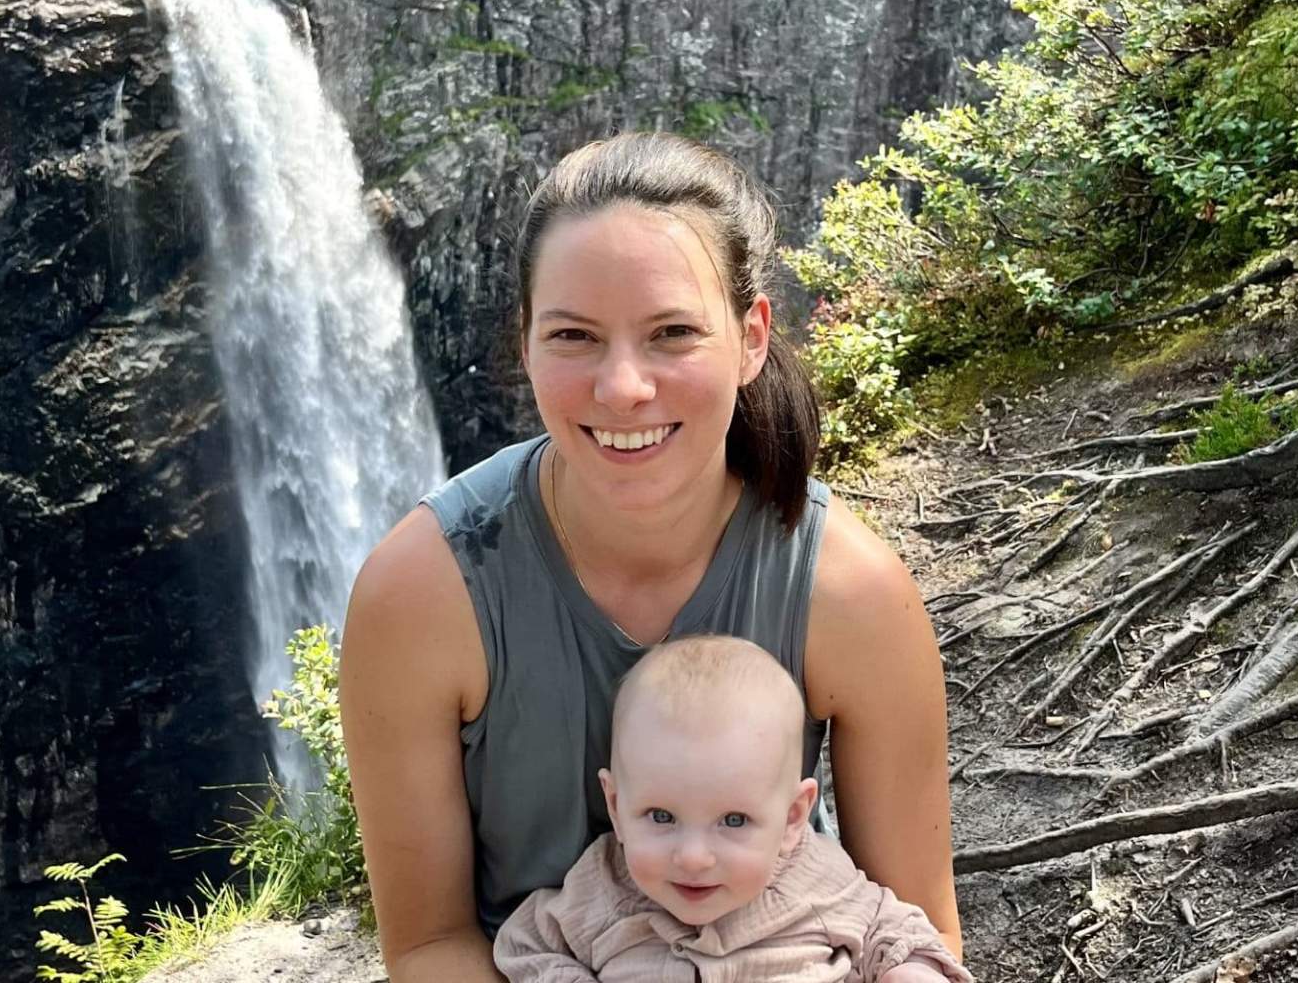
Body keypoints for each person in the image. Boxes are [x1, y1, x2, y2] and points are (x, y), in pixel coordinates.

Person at [338, 132, 960, 982]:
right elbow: (428, 945)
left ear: (750, 339)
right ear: (525, 342)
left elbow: (920, 931)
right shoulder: (422, 594)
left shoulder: (850, 595)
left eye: (672, 332)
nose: (622, 388)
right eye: (574, 335)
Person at [493, 635, 972, 982]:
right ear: (616, 807)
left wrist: (911, 970)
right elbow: (525, 945)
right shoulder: (601, 888)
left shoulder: (817, 881)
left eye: (734, 821)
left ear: (792, 818)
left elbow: (895, 927)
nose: (693, 857)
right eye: (661, 817)